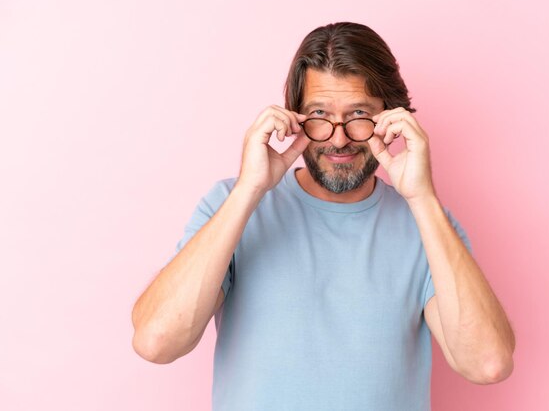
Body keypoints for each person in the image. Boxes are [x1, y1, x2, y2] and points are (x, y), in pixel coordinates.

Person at [131, 22, 515, 410]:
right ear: (294, 117)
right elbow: (156, 342)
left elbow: (487, 364)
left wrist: (423, 198)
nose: (338, 138)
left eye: (359, 114)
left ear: (391, 118)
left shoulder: (428, 225)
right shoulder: (229, 205)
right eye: (319, 113)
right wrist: (249, 191)